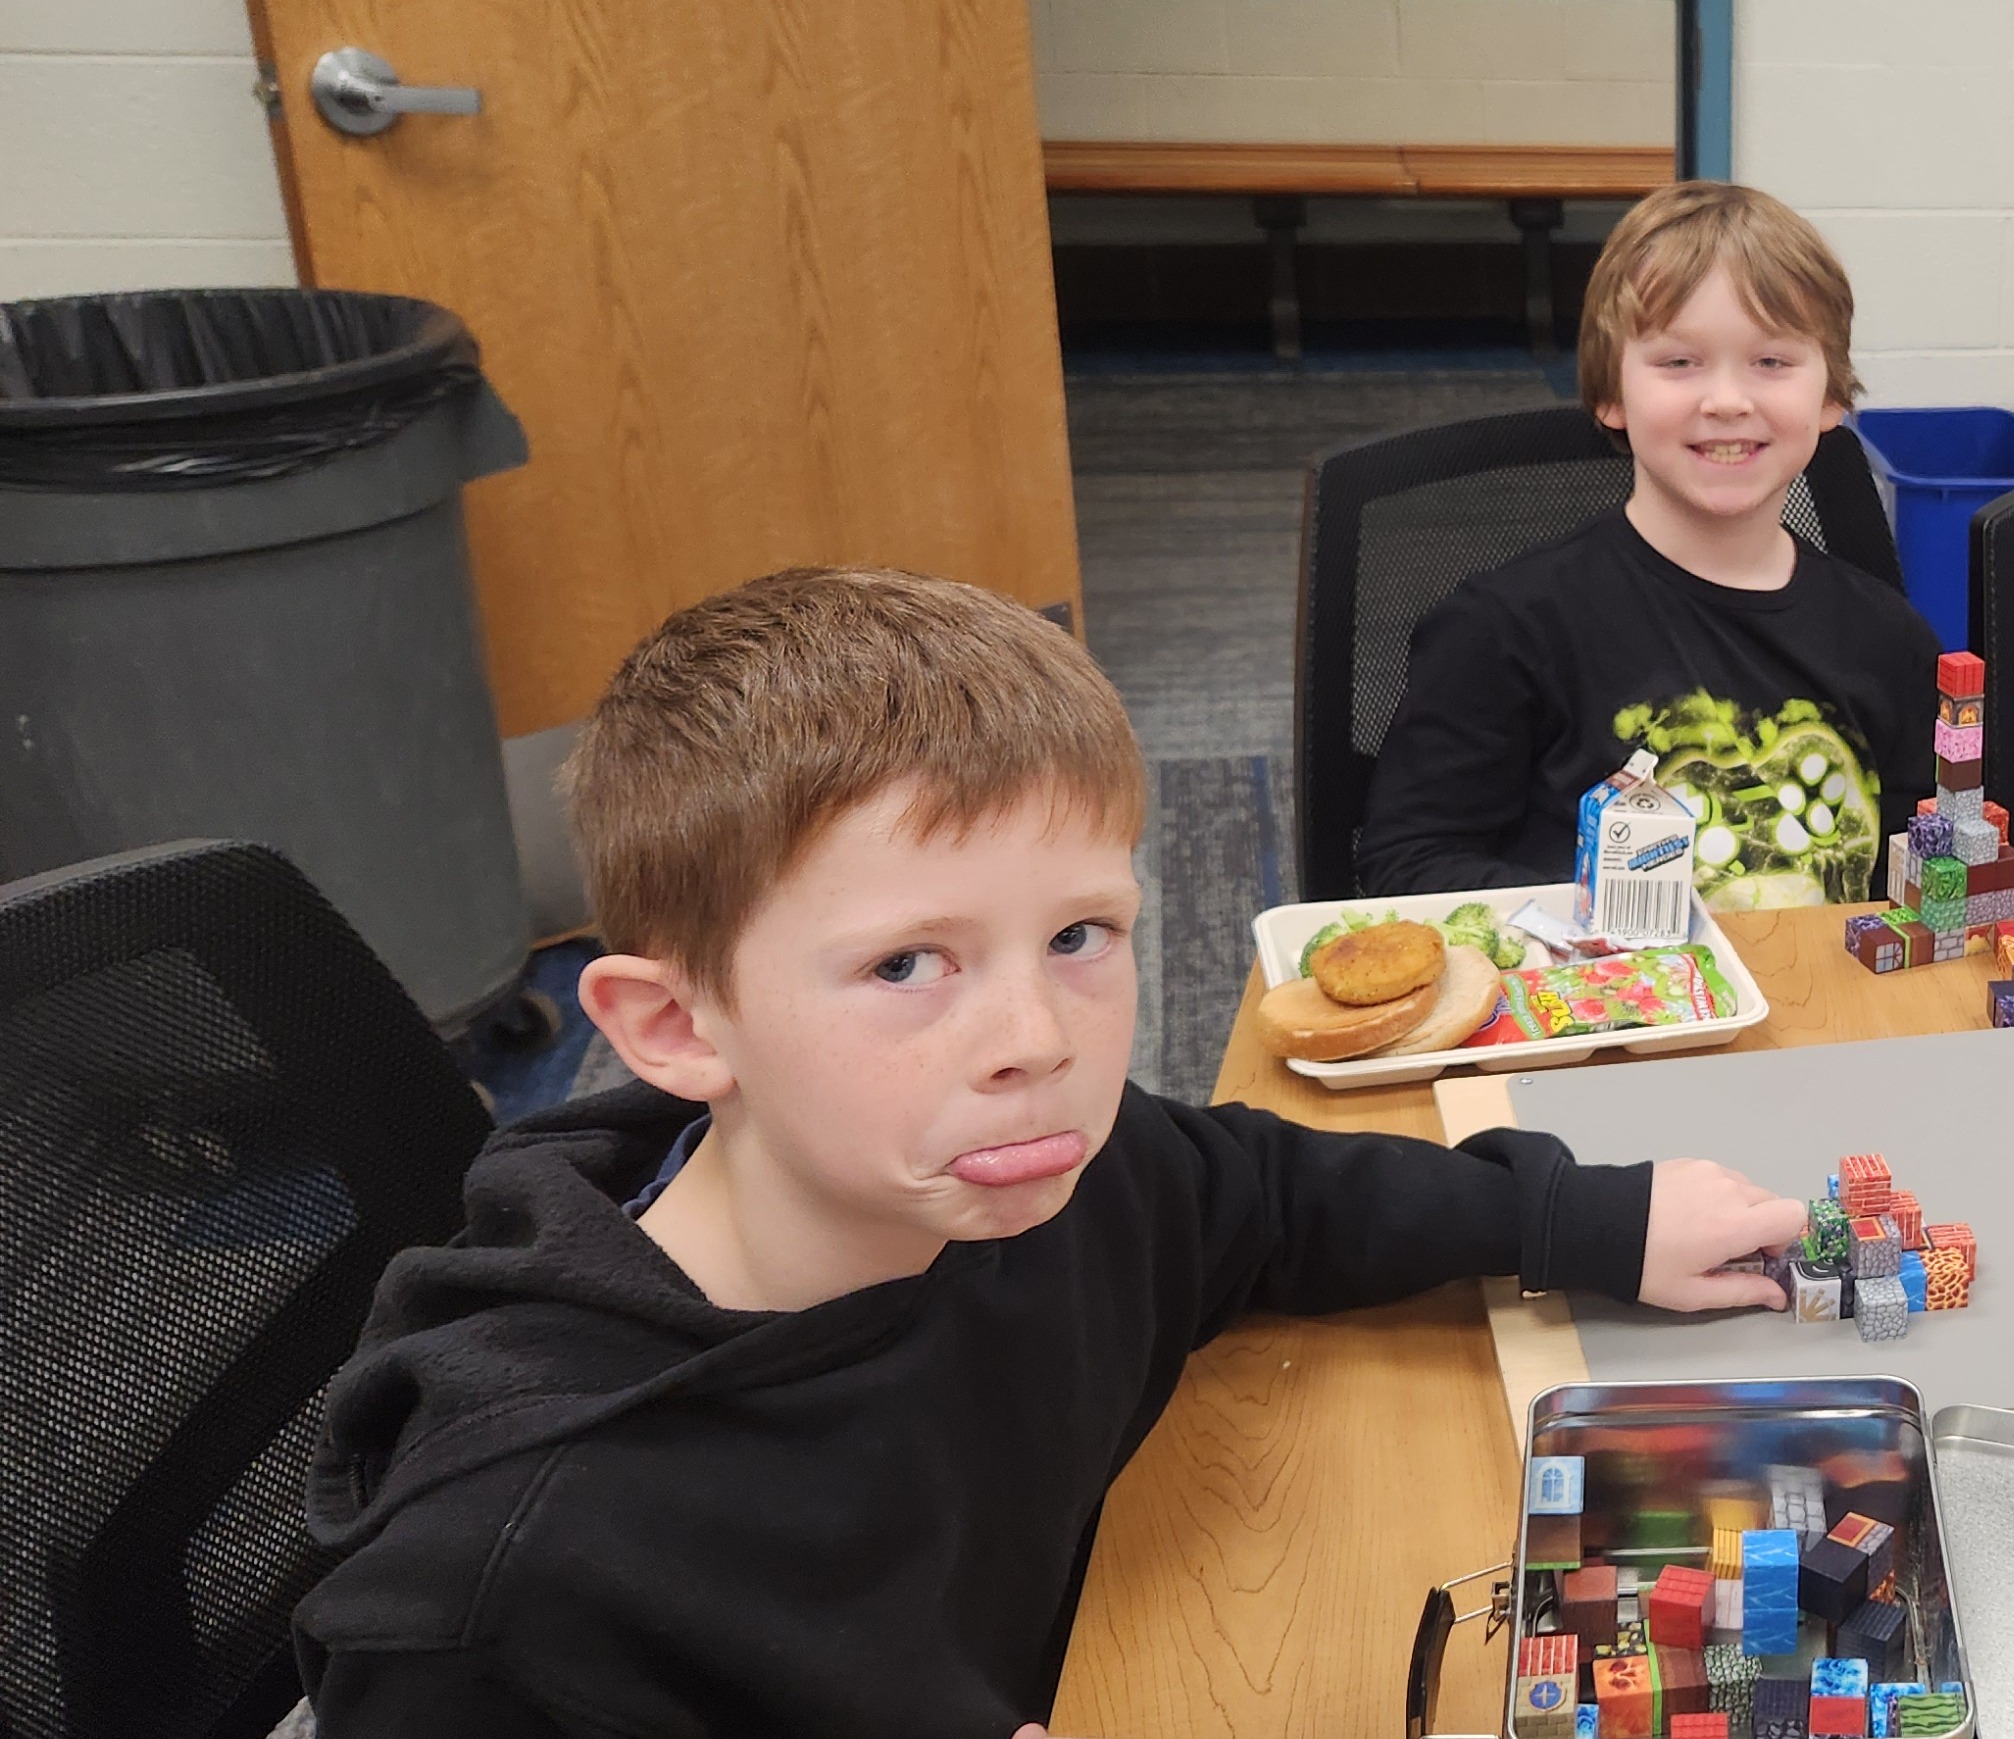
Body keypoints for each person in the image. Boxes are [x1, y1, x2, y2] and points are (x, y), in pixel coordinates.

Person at [291, 569, 1810, 1734]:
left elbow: (1259, 1192)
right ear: (678, 1028)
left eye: (1081, 933)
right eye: (907, 964)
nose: (1039, 1035)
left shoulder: (1034, 1178)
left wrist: (1586, 1216)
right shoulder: (509, 1572)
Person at [1358, 181, 1938, 910]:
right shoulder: (1503, 629)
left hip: (1825, 1015)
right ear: (1610, 393)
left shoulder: (1890, 639)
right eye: (1679, 362)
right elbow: (1409, 864)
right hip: (1602, 1010)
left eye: (1771, 362)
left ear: (1829, 398)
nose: (1727, 400)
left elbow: (1924, 867)